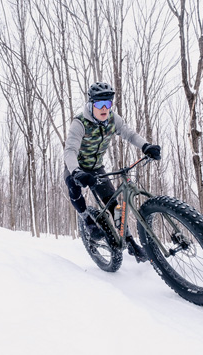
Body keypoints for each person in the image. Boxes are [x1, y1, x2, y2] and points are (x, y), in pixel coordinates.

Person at [64, 82, 161, 262]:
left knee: (113, 204)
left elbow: (129, 134)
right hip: (76, 167)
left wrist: (146, 146)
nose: (104, 109)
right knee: (72, 186)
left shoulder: (113, 119)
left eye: (107, 104)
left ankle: (130, 242)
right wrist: (76, 171)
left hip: (97, 168)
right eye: (99, 104)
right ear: (91, 104)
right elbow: (70, 151)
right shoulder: (80, 123)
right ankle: (86, 219)